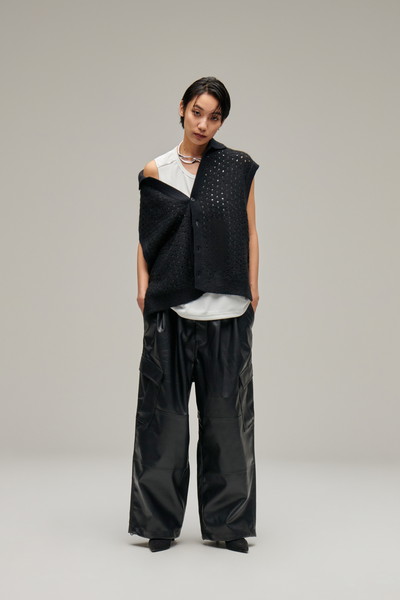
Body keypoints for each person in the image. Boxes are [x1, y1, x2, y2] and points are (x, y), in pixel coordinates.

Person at [128, 76, 260, 553]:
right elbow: (148, 237)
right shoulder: (157, 169)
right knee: (162, 422)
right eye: (197, 112)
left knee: (228, 423)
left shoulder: (236, 166)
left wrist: (253, 289)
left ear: (222, 121)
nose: (203, 124)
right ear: (182, 109)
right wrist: (142, 288)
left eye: (214, 117)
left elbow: (250, 231)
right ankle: (158, 524)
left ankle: (229, 525)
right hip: (171, 311)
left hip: (227, 312)